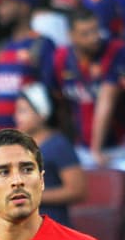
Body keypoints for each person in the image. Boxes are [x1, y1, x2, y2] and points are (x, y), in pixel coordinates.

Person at [52, 6, 125, 162]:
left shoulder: (115, 51)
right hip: (81, 147)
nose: (94, 37)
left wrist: (95, 150)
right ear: (71, 36)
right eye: (85, 33)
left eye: (95, 30)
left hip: (120, 147)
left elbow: (107, 100)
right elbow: (59, 103)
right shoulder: (61, 58)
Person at [12, 83, 84, 226]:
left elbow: (78, 190)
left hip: (52, 225)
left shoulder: (59, 145)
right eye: (17, 111)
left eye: (23, 111)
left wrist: (33, 196)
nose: (17, 117)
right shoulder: (17, 146)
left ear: (42, 114)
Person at [0, 0, 57, 129]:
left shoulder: (42, 44)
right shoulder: (2, 46)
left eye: (6, 4)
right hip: (0, 137)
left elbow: (51, 93)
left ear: (24, 7)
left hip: (28, 138)